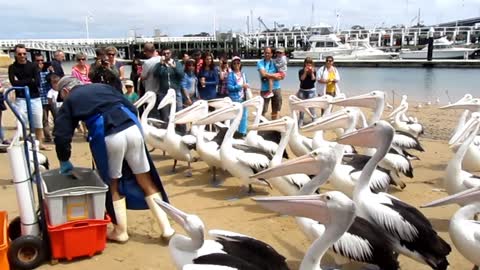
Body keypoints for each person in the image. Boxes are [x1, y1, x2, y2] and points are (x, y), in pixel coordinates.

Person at [54, 76, 175, 243]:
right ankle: (167, 229)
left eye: (63, 96)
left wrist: (64, 159)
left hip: (108, 133)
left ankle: (120, 231)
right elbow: (131, 107)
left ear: (66, 91)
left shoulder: (71, 100)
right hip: (132, 128)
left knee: (113, 182)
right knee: (145, 178)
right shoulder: (102, 87)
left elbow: (61, 134)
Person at [8, 44, 50, 150]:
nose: (22, 56)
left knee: (38, 122)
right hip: (21, 98)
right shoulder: (12, 67)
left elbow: (37, 82)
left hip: (35, 97)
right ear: (15, 55)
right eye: (19, 54)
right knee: (22, 121)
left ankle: (40, 143)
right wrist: (29, 81)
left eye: (24, 53)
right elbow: (14, 83)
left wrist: (22, 82)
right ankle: (24, 144)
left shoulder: (33, 66)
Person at [153, 48, 186, 133]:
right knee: (165, 114)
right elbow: (155, 74)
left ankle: (181, 131)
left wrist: (174, 67)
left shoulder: (177, 63)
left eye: (168, 53)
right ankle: (167, 132)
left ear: (171, 54)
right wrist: (161, 64)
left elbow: (181, 75)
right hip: (163, 92)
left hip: (175, 91)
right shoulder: (159, 65)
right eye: (164, 53)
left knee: (179, 111)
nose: (166, 55)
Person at [257, 46, 283, 120]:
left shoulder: (275, 62)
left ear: (272, 54)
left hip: (276, 88)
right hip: (265, 89)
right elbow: (263, 74)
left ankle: (274, 124)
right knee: (263, 109)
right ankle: (260, 125)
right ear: (263, 53)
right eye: (265, 53)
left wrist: (270, 75)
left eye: (269, 53)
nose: (267, 54)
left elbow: (281, 76)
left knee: (276, 109)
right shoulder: (260, 62)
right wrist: (275, 75)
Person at [227, 56, 250, 136]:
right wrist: (240, 86)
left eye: (238, 63)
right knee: (234, 117)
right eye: (234, 63)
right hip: (234, 99)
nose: (236, 64)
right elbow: (229, 88)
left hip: (243, 98)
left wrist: (247, 86)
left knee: (244, 116)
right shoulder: (231, 75)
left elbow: (246, 83)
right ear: (232, 65)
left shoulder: (243, 74)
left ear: (240, 64)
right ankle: (233, 133)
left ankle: (242, 133)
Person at [34, 53, 53, 143]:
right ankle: (48, 137)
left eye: (42, 60)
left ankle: (57, 136)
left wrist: (52, 72)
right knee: (44, 120)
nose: (40, 62)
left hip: (51, 98)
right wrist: (38, 70)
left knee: (57, 118)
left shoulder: (48, 70)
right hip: (40, 99)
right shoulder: (33, 72)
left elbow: (55, 80)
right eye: (38, 61)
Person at [297, 57, 317, 126]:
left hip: (311, 90)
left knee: (311, 107)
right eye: (307, 63)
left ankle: (314, 120)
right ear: (305, 63)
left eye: (310, 63)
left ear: (312, 64)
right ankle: (301, 120)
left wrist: (311, 72)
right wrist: (305, 72)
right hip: (302, 90)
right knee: (302, 107)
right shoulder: (301, 71)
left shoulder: (314, 71)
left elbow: (314, 80)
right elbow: (301, 79)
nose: (308, 65)